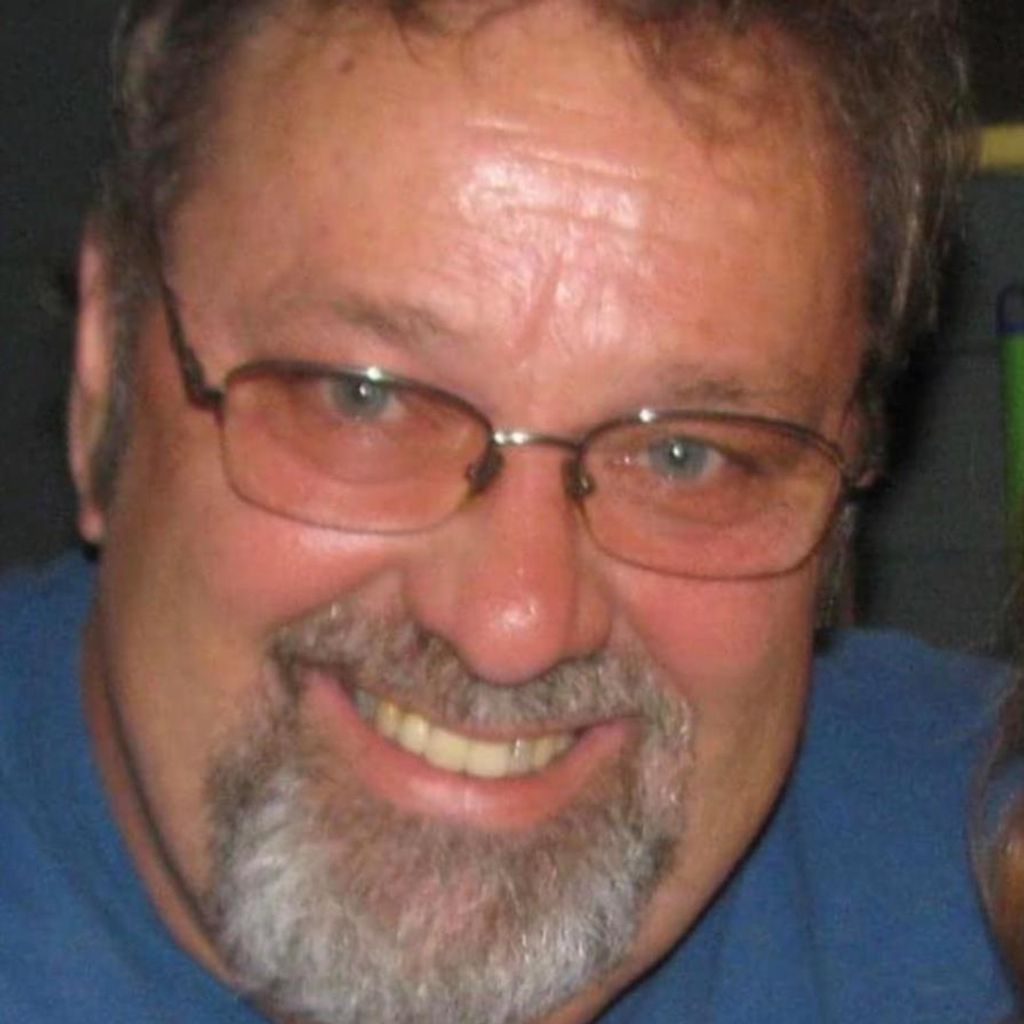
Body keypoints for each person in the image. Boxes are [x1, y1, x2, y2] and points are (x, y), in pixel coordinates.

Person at [0, 0, 1012, 1021]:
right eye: (364, 399)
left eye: (684, 456)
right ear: (104, 370)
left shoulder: (989, 892)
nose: (512, 625)